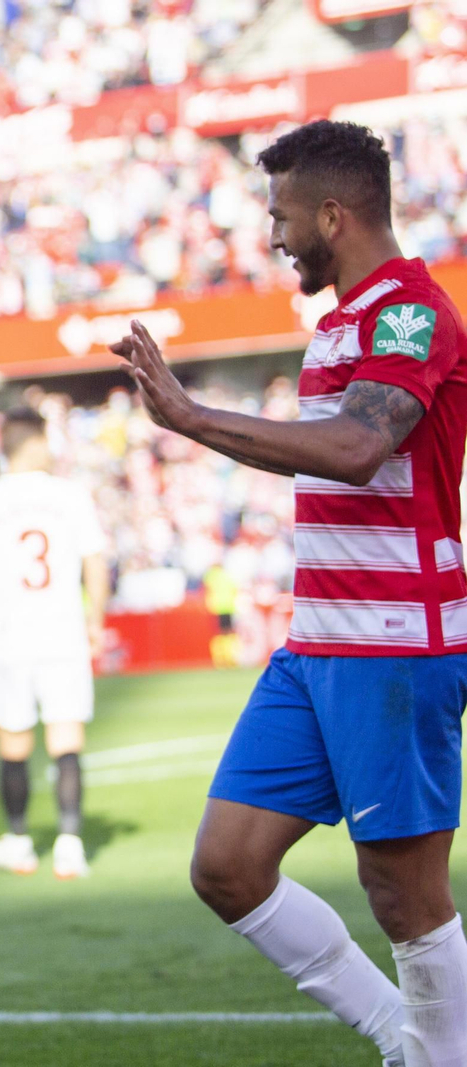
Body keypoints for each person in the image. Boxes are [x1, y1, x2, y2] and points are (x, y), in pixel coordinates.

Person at [115, 119, 467, 1065]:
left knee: (404, 895)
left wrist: (191, 416)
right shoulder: (339, 324)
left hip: (395, 644)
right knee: (228, 865)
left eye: (281, 217)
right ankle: (406, 1041)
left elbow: (357, 448)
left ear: (334, 215)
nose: (273, 236)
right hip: (318, 645)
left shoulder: (412, 313)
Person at [0, 408, 108, 880]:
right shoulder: (70, 494)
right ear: (38, 442)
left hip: (9, 637)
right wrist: (96, 621)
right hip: (63, 632)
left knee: (13, 743)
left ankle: (19, 841)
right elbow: (95, 562)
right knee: (67, 739)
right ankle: (70, 844)